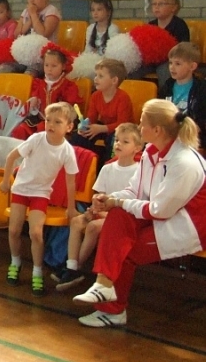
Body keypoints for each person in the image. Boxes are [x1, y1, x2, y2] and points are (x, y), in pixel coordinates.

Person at [73, 99, 206, 328]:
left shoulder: (184, 162)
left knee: (125, 250)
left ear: (157, 130)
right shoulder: (150, 152)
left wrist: (119, 202)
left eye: (142, 122)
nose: (138, 125)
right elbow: (135, 191)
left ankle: (113, 309)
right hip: (161, 215)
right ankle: (103, 285)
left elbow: (160, 211)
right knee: (117, 215)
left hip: (189, 227)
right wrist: (109, 199)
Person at [0, 102, 79, 296]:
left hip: (40, 193)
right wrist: (6, 181)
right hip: (21, 189)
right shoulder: (36, 139)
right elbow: (11, 157)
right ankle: (15, 262)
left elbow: (71, 182)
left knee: (36, 233)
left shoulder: (67, 151)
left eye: (57, 122)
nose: (51, 125)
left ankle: (37, 272)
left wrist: (71, 208)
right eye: (48, 120)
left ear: (69, 127)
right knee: (14, 230)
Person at [54, 123, 142, 291]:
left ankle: (74, 269)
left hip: (122, 217)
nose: (118, 144)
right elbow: (99, 195)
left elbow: (133, 203)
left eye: (125, 142)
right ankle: (71, 266)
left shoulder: (139, 171)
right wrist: (93, 208)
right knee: (77, 221)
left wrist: (102, 212)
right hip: (104, 212)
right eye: (117, 140)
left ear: (137, 148)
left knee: (93, 227)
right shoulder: (107, 168)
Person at [11, 47, 82, 140]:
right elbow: (35, 100)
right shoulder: (39, 84)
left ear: (63, 66)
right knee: (20, 129)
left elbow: (69, 109)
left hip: (58, 122)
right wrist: (34, 101)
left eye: (54, 66)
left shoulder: (68, 86)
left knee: (42, 129)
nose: (49, 69)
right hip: (40, 119)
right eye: (46, 65)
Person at [71, 58, 133, 162]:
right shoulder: (95, 96)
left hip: (123, 130)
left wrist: (101, 128)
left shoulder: (123, 97)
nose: (95, 79)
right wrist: (84, 126)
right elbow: (91, 118)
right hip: (104, 127)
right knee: (79, 136)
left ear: (114, 80)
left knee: (114, 141)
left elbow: (122, 124)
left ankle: (107, 165)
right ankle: (82, 162)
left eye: (100, 76)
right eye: (96, 75)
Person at [0, 0, 61, 75]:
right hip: (25, 56)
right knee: (4, 68)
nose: (31, 0)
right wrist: (28, 22)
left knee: (29, 73)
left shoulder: (51, 11)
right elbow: (16, 35)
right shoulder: (25, 12)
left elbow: (44, 34)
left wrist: (33, 14)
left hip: (44, 58)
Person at [131, 0, 189, 86]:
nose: (156, 7)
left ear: (173, 7)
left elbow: (183, 48)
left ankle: (165, 93)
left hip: (169, 60)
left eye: (161, 4)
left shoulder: (179, 25)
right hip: (151, 61)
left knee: (165, 71)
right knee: (133, 70)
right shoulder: (151, 25)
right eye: (154, 4)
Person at [158, 42, 206, 147]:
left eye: (178, 64)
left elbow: (201, 120)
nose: (172, 67)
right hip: (168, 134)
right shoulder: (167, 86)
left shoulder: (201, 89)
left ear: (192, 66)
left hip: (191, 136)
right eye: (170, 63)